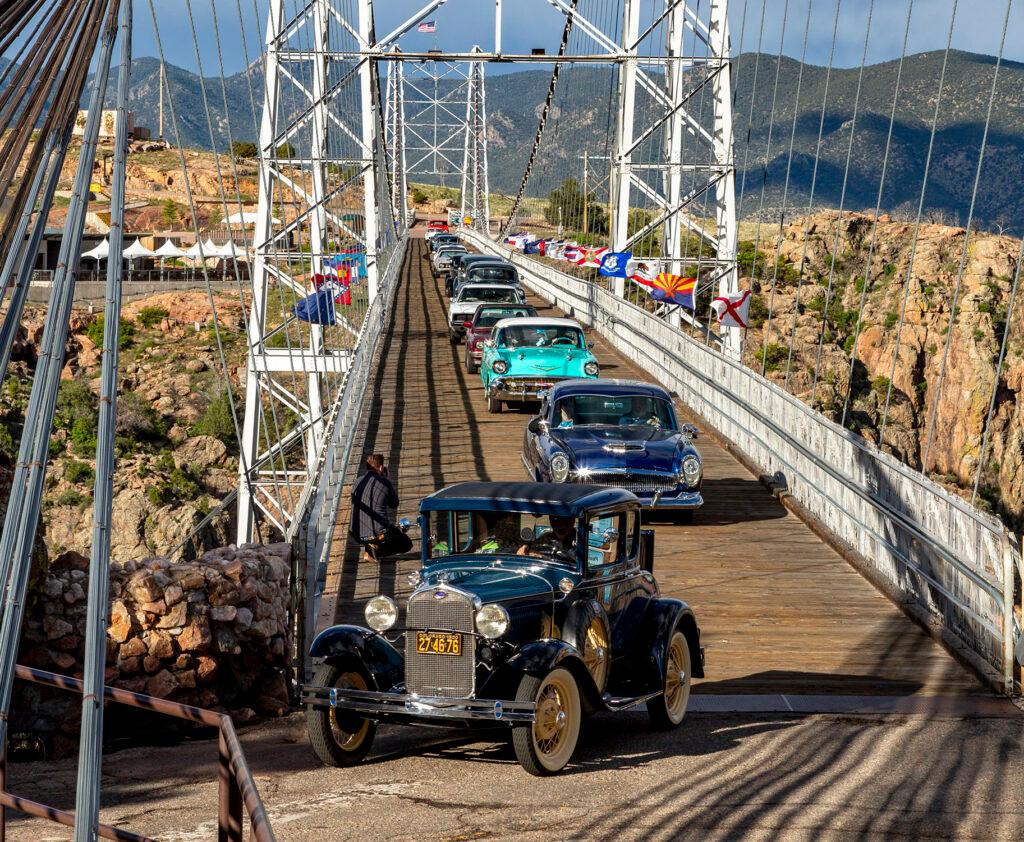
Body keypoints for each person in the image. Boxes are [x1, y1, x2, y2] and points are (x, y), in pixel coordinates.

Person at [350, 454, 406, 562]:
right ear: (380, 468)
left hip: (356, 533)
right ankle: (372, 551)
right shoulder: (384, 482)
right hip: (379, 533)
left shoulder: (357, 482)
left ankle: (370, 546)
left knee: (371, 524)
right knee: (406, 544)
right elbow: (394, 504)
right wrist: (386, 480)